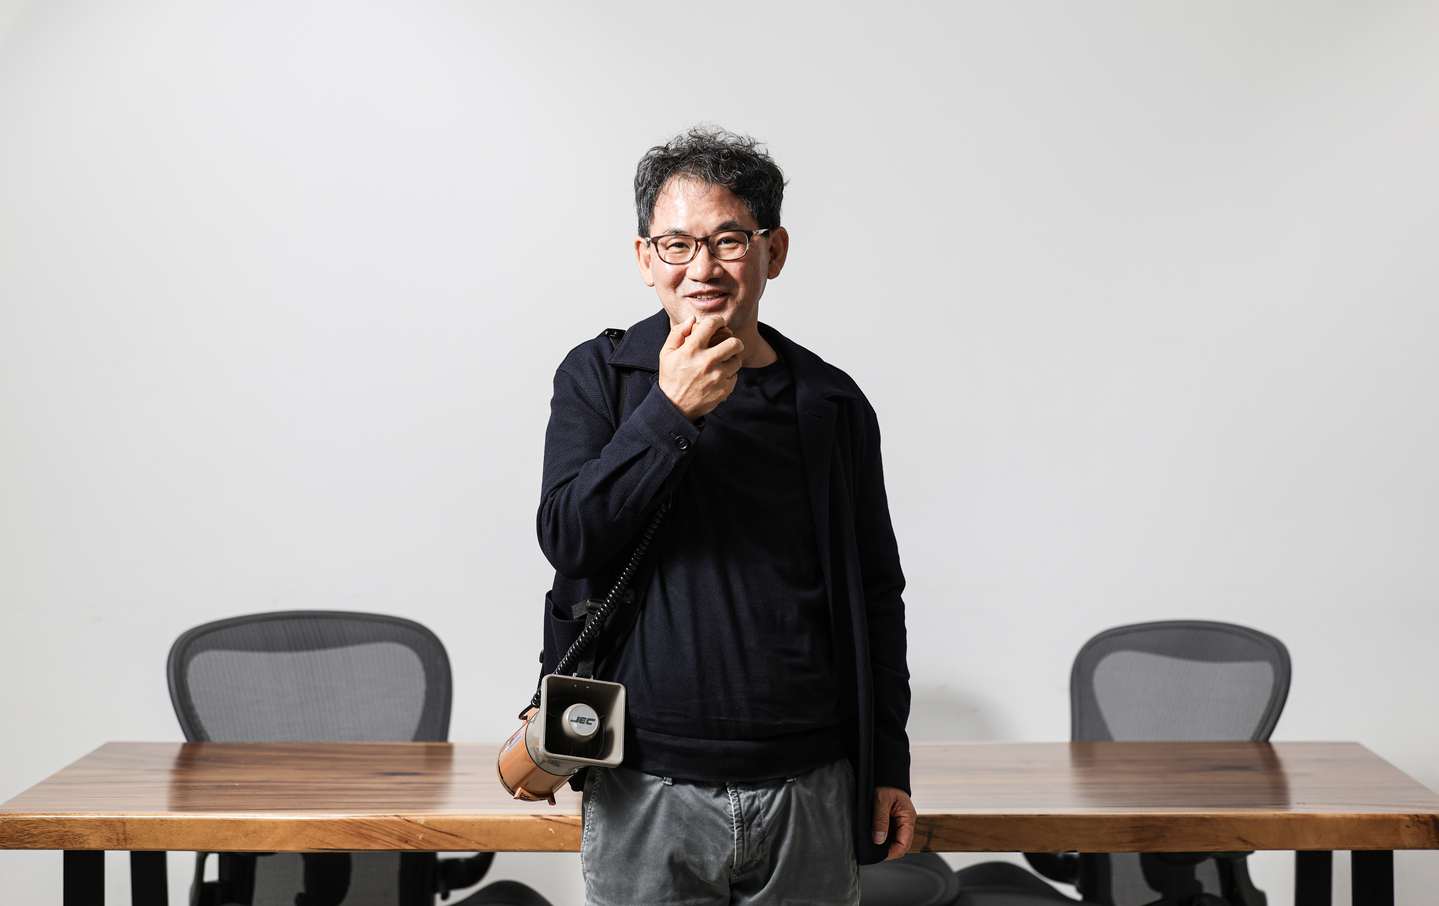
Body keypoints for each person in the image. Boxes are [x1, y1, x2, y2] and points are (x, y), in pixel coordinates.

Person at [536, 125, 913, 905]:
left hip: (809, 784)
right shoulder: (600, 379)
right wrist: (669, 412)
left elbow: (876, 594)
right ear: (645, 260)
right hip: (643, 782)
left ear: (773, 252)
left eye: (728, 240)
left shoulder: (829, 403)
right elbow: (568, 535)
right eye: (675, 244)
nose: (701, 268)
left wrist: (888, 768)